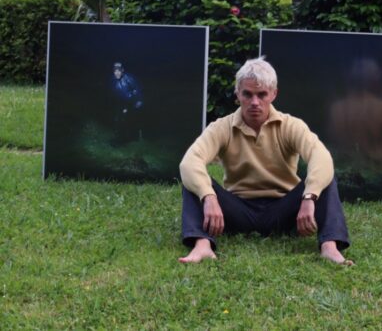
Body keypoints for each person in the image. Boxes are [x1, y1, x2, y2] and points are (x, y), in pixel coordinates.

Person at [178, 57, 352, 265]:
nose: (254, 102)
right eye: (247, 94)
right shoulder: (221, 127)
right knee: (193, 181)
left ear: (273, 94)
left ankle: (329, 247)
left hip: (284, 210)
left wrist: (309, 197)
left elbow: (321, 157)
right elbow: (190, 162)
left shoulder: (290, 125)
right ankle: (202, 244)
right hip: (238, 211)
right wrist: (208, 197)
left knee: (325, 178)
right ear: (237, 94)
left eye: (261, 94)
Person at [110, 62, 144, 143]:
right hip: (121, 103)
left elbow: (137, 89)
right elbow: (113, 92)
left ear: (122, 70)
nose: (117, 73)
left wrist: (139, 101)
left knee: (131, 120)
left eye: (118, 71)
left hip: (132, 102)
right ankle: (120, 138)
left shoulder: (129, 78)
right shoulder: (113, 80)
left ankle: (134, 137)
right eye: (115, 71)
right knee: (118, 119)